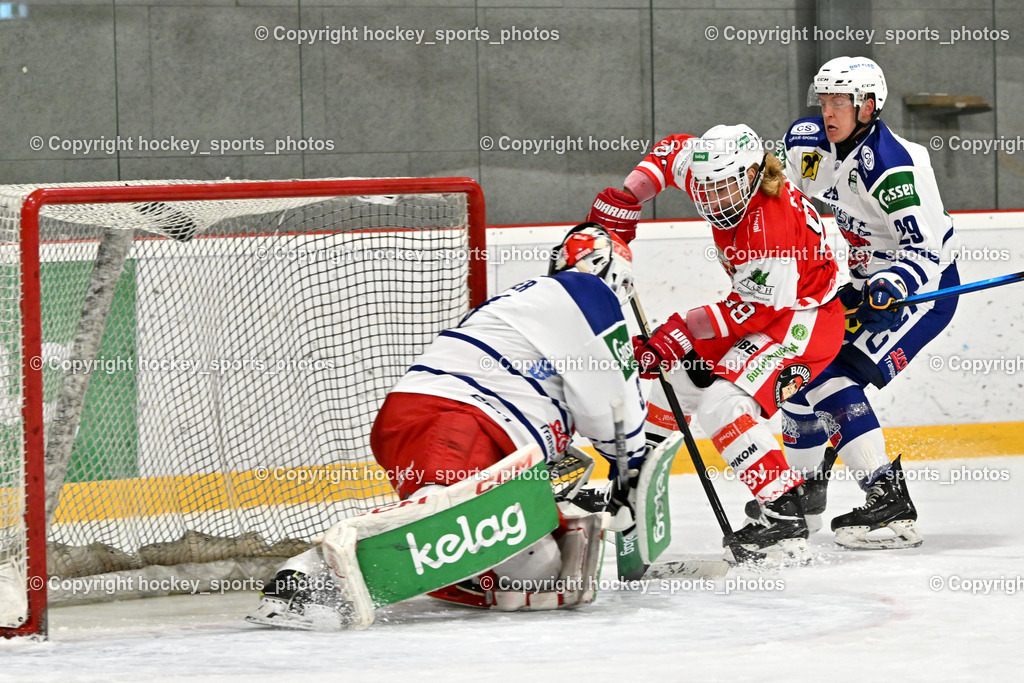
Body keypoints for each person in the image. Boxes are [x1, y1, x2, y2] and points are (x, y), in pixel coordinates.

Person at [246, 223, 649, 629]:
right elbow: (612, 402)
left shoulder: (538, 305)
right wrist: (630, 466)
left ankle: (443, 572)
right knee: (442, 514)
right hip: (458, 419)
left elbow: (589, 401)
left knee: (539, 572)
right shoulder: (586, 294)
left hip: (453, 422)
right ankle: (303, 579)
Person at [591, 123, 845, 561]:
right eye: (705, 190)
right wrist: (629, 197)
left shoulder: (771, 227)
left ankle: (784, 513)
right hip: (766, 310)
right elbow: (670, 152)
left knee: (722, 405)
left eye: (723, 189)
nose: (712, 201)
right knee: (678, 374)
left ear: (750, 176)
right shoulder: (715, 172)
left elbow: (753, 310)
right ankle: (635, 483)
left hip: (803, 319)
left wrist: (678, 332)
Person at [779, 56, 960, 549]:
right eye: (825, 100)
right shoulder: (806, 141)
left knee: (831, 376)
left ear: (868, 106)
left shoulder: (896, 168)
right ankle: (803, 494)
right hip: (861, 282)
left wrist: (893, 284)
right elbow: (784, 204)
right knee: (798, 374)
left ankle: (889, 502)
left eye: (841, 101)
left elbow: (924, 251)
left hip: (920, 292)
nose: (829, 111)